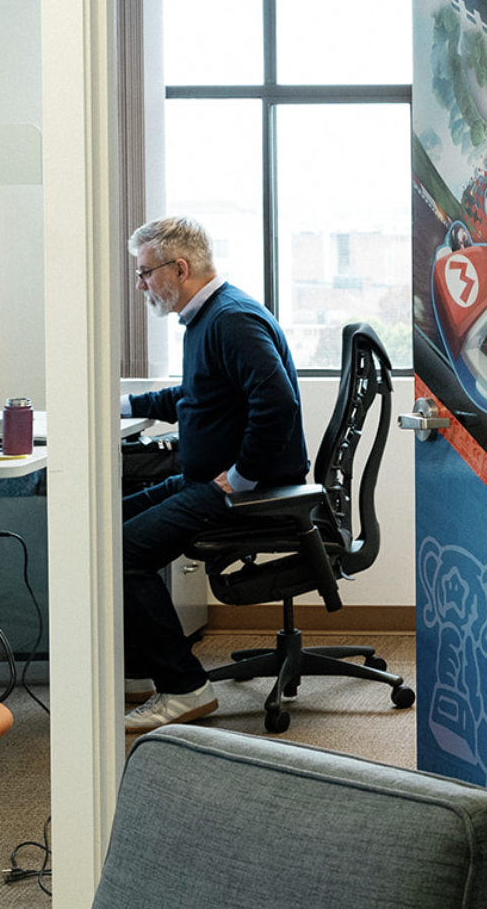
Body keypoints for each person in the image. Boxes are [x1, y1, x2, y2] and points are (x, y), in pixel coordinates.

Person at [120, 217, 309, 733]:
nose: (140, 285)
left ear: (179, 269)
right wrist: (125, 405)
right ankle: (142, 669)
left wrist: (242, 476)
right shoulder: (206, 318)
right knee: (106, 526)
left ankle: (184, 687)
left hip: (247, 490)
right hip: (207, 480)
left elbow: (278, 404)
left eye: (145, 273)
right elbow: (194, 397)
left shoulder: (231, 320)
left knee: (124, 552)